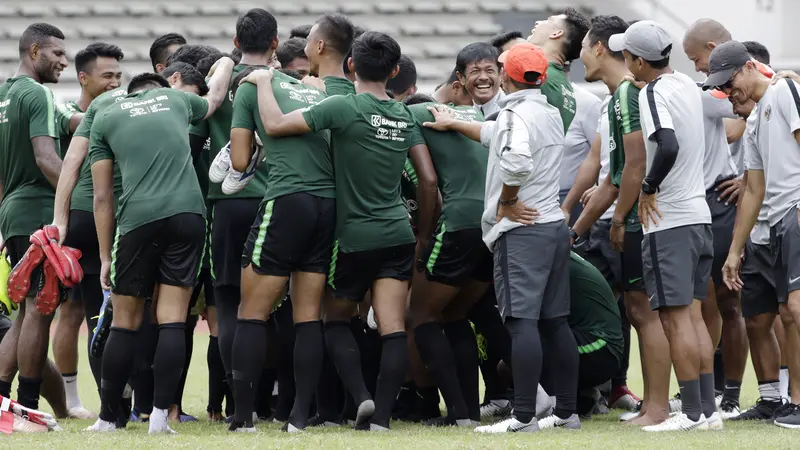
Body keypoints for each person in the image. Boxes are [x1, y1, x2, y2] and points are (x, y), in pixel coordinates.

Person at [244, 31, 429, 432]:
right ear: (395, 71)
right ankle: (380, 418)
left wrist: (262, 81)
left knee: (334, 321)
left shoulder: (343, 108)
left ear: (350, 66)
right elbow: (427, 181)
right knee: (393, 326)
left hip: (354, 236)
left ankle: (360, 396)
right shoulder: (405, 115)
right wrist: (426, 236)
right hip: (398, 233)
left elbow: (274, 125)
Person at [426, 42, 579, 433]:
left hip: (522, 230)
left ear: (506, 75)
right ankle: (566, 412)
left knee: (521, 324)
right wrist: (455, 122)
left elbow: (515, 160)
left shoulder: (514, 113)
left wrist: (507, 201)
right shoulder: (547, 111)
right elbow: (495, 133)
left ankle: (524, 416)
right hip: (552, 225)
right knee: (556, 322)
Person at [85, 53, 234, 434]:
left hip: (137, 220)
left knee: (125, 322)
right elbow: (215, 97)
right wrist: (225, 65)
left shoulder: (105, 116)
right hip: (188, 216)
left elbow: (102, 197)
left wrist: (105, 256)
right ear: (162, 87)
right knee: (172, 320)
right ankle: (158, 418)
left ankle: (107, 419)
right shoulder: (177, 99)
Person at [609, 20, 718, 431]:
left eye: (627, 56)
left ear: (638, 60)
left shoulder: (652, 92)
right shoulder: (688, 85)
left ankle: (689, 413)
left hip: (669, 219)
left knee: (674, 319)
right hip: (699, 215)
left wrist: (649, 188)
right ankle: (706, 411)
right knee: (692, 316)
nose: (625, 62)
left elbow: (666, 144)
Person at [227, 35, 334, 433]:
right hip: (328, 204)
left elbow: (238, 162)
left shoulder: (252, 86)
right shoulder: (318, 90)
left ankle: (242, 418)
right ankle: (300, 418)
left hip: (287, 199)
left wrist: (257, 145)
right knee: (308, 316)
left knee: (251, 312)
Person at [569, 15, 668, 425]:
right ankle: (639, 398)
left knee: (646, 314)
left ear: (597, 48)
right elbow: (605, 165)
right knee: (636, 311)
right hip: (626, 216)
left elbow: (628, 169)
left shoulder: (631, 93)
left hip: (637, 221)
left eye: (583, 48)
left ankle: (658, 406)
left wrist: (611, 217)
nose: (579, 57)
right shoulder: (615, 99)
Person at [190, 10, 276, 419]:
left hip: (225, 205)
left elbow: (199, 138)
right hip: (274, 202)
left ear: (237, 42)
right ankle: (270, 401)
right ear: (275, 44)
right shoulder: (284, 84)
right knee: (274, 306)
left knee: (227, 304)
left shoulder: (218, 87)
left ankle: (241, 404)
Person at [714, 40, 800, 428]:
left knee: (794, 312)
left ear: (750, 67)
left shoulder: (785, 91)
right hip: (768, 227)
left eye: (730, 82)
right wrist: (735, 250)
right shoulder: (753, 123)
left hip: (793, 215)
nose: (730, 92)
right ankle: (775, 400)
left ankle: (797, 402)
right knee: (767, 315)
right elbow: (753, 190)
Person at [403, 93, 489, 427]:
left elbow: (428, 181)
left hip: (459, 222)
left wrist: (425, 236)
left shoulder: (409, 115)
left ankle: (456, 413)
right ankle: (470, 412)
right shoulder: (470, 113)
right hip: (491, 223)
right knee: (455, 315)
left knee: (420, 316)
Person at [51, 42, 123, 420]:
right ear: (84, 78)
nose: (114, 83)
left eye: (117, 76)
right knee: (73, 312)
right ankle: (73, 398)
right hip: (81, 217)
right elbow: (68, 160)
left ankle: (104, 400)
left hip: (94, 215)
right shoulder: (66, 110)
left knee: (91, 309)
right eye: (106, 76)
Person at [0, 22, 68, 413]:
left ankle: (3, 396)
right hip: (39, 212)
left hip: (13, 211)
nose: (64, 61)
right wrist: (81, 199)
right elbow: (46, 158)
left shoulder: (5, 96)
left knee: (26, 311)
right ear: (35, 52)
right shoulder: (36, 94)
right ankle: (27, 405)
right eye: (58, 54)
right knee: (41, 311)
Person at [683, 19, 748, 418]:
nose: (697, 68)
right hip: (699, 200)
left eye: (697, 59)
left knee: (729, 301)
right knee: (701, 299)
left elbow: (745, 119)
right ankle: (707, 390)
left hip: (721, 199)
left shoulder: (746, 86)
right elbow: (731, 128)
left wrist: (748, 179)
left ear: (712, 47)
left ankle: (732, 394)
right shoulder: (703, 92)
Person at [525, 7, 591, 132]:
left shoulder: (540, 76)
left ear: (556, 33)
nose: (538, 22)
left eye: (549, 21)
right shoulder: (565, 86)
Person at [455, 43, 503, 116]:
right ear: (461, 77)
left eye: (489, 70)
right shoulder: (463, 116)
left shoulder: (512, 111)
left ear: (501, 74)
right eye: (475, 71)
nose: (483, 77)